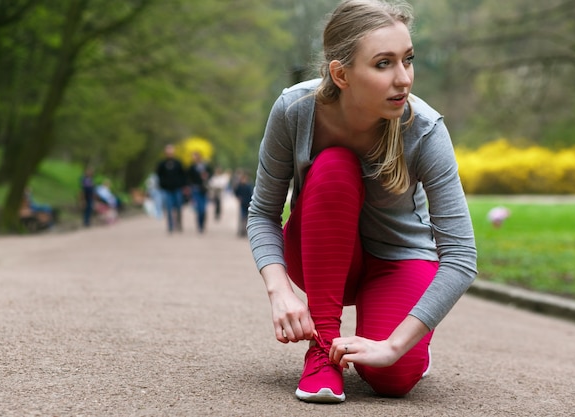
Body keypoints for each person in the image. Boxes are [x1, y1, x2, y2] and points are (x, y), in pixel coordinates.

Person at [246, 0, 477, 404]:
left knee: (393, 377)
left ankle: (403, 353)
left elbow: (460, 254)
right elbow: (263, 212)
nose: (403, 79)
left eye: (408, 60)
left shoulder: (424, 129)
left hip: (399, 259)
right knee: (335, 164)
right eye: (383, 64)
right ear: (341, 73)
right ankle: (323, 350)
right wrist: (279, 290)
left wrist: (395, 346)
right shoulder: (295, 110)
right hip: (321, 250)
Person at [156, 144, 186, 233]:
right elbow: (159, 175)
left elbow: (183, 175)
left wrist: (182, 185)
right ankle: (170, 225)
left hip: (177, 188)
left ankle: (179, 223)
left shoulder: (178, 163)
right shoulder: (162, 164)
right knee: (168, 208)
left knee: (178, 207)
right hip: (166, 189)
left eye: (171, 150)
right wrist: (162, 185)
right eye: (167, 151)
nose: (169, 152)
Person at [186, 151, 213, 233]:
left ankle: (202, 224)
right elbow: (188, 177)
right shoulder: (191, 167)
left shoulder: (205, 166)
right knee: (198, 209)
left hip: (204, 189)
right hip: (196, 189)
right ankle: (199, 226)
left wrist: (206, 176)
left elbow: (210, 173)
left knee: (203, 209)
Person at [233, 170, 253, 237]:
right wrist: (239, 198)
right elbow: (236, 192)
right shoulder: (239, 186)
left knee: (247, 218)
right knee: (242, 217)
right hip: (242, 203)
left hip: (248, 203)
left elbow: (251, 194)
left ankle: (245, 231)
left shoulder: (249, 186)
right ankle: (241, 231)